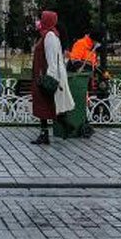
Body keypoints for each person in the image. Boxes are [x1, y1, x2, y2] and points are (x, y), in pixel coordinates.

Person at [29, 11, 75, 145]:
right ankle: (65, 126)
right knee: (48, 105)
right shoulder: (48, 35)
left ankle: (46, 134)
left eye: (42, 19)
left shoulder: (49, 36)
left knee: (44, 105)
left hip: (46, 75)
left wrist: (49, 79)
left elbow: (51, 59)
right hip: (44, 74)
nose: (40, 21)